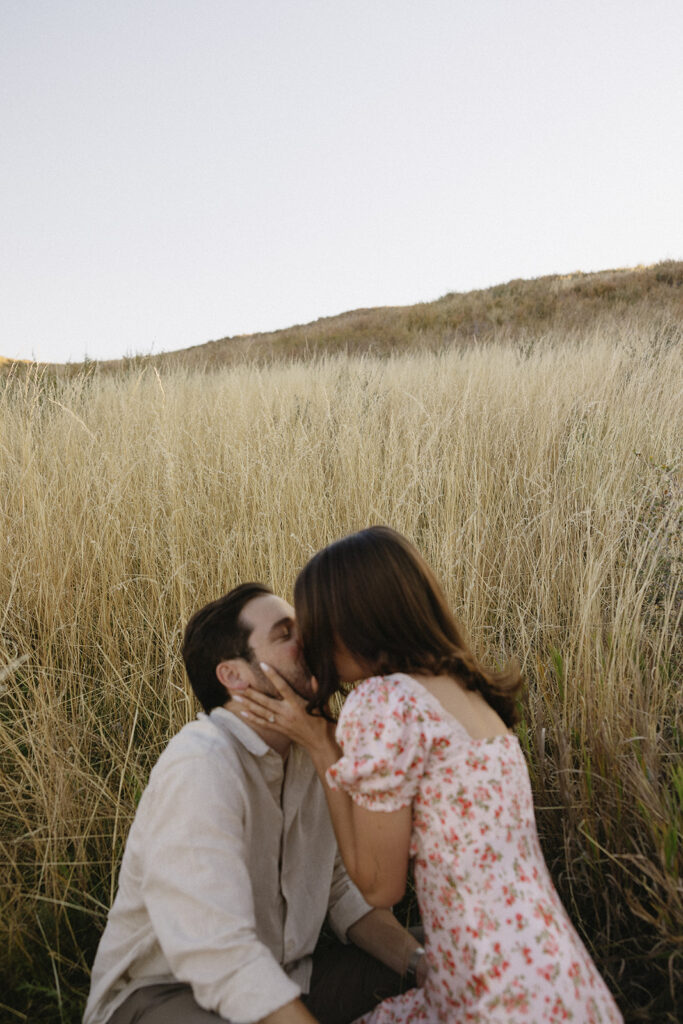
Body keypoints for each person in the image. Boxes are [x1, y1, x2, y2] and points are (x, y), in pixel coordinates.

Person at [235, 527, 624, 1023]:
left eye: (313, 621)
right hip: (557, 980)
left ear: (351, 621)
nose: (308, 641)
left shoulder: (383, 704)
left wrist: (320, 749)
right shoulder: (468, 693)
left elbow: (379, 888)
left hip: (488, 993)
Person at [83, 583, 426, 1024]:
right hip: (167, 995)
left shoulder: (314, 749)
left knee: (467, 954)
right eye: (285, 634)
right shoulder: (201, 764)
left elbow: (344, 891)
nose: (310, 640)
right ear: (235, 676)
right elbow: (218, 952)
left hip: (290, 978)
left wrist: (420, 965)